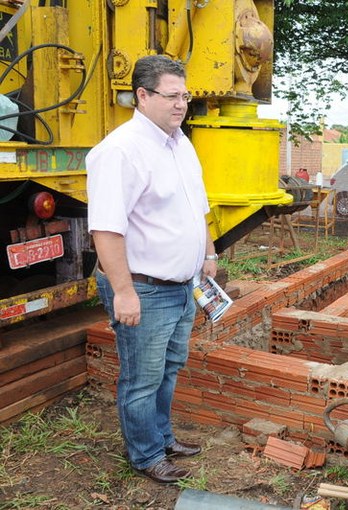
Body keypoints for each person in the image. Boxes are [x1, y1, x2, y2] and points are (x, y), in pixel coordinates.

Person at [86, 55, 218, 484]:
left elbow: (198, 208)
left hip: (182, 287)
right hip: (144, 287)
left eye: (185, 95)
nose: (181, 104)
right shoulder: (120, 151)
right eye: (171, 96)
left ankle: (162, 436)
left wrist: (208, 254)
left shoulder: (180, 142)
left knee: (170, 367)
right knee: (141, 379)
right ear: (142, 96)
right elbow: (106, 229)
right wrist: (124, 293)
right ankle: (145, 455)